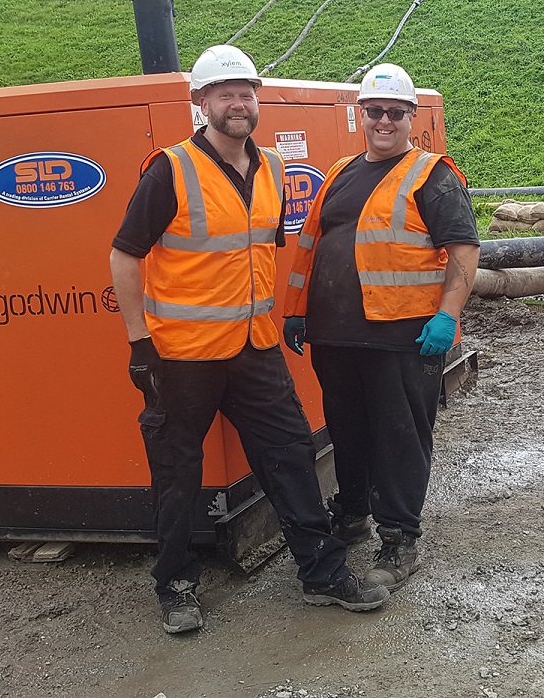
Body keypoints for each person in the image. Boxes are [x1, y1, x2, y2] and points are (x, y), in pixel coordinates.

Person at [110, 44, 389, 635]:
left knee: (291, 458)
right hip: (182, 356)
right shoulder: (170, 169)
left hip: (254, 348)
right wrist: (140, 342)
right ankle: (176, 584)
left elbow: (258, 256)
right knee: (178, 471)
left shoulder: (272, 171)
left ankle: (321, 573)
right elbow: (124, 255)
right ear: (202, 103)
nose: (238, 103)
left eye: (246, 93)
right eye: (225, 94)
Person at [282, 65, 480, 594]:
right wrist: (298, 310)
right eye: (375, 111)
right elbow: (312, 246)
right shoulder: (341, 171)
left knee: (399, 437)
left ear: (411, 118)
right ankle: (352, 514)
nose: (385, 121)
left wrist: (448, 316)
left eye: (396, 112)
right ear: (360, 115)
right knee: (347, 432)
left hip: (404, 336)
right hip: (336, 335)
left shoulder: (432, 174)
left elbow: (463, 250)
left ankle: (399, 538)